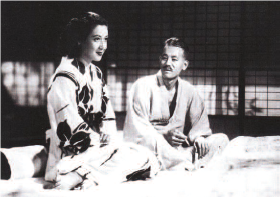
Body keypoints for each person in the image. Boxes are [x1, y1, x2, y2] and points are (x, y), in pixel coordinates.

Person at [0, 12, 160, 190]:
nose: (103, 46)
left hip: (97, 150)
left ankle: (86, 175)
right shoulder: (64, 77)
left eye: (105, 39)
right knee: (134, 157)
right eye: (96, 39)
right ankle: (78, 175)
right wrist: (101, 143)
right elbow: (68, 126)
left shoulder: (96, 74)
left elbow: (108, 116)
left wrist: (108, 139)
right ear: (80, 40)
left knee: (145, 155)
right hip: (71, 152)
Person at [123, 37, 229, 171]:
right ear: (159, 59)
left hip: (178, 149)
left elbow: (199, 127)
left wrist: (199, 139)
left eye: (174, 59)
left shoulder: (190, 91)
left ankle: (179, 161)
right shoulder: (142, 86)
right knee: (143, 151)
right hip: (153, 147)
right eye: (164, 58)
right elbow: (136, 131)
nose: (168, 63)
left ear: (184, 65)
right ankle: (182, 162)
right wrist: (164, 134)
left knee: (221, 139)